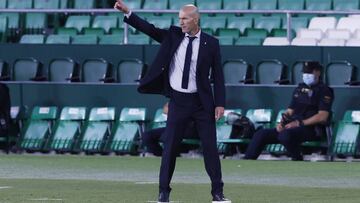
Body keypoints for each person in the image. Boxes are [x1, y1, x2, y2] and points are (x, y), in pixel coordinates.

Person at [114, 1, 230, 202]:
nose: (181, 22)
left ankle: (217, 193)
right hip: (178, 101)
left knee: (210, 148)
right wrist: (129, 13)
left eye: (185, 18)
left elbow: (218, 76)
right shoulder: (173, 35)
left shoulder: (211, 43)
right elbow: (149, 29)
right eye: (180, 19)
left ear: (196, 19)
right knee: (170, 148)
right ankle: (163, 193)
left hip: (202, 103)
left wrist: (220, 103)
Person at [244, 61, 334, 161]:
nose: (306, 75)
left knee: (285, 135)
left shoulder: (325, 91)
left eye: (309, 72)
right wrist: (281, 123)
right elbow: (289, 111)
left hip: (310, 129)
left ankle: (298, 159)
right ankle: (247, 161)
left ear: (318, 72)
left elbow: (322, 116)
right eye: (305, 72)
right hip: (292, 126)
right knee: (260, 135)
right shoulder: (299, 89)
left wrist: (299, 123)